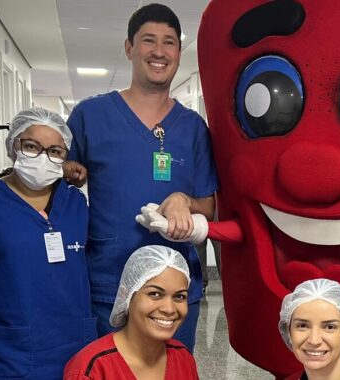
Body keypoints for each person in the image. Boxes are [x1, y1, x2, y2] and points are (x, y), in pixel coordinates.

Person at [63, 3, 218, 351]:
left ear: (179, 52)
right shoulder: (90, 116)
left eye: (169, 42)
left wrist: (184, 201)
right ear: (129, 48)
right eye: (149, 40)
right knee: (109, 370)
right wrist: (65, 171)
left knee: (172, 371)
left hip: (175, 290)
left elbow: (209, 205)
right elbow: (58, 182)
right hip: (109, 284)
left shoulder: (193, 128)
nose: (159, 51)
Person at [0, 108, 96, 379]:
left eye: (55, 151)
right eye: (31, 146)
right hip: (12, 349)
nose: (43, 158)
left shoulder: (76, 202)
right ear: (13, 146)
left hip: (74, 342)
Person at [63, 246, 200, 380]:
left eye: (179, 296)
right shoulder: (90, 370)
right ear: (126, 295)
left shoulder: (183, 358)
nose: (169, 309)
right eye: (155, 294)